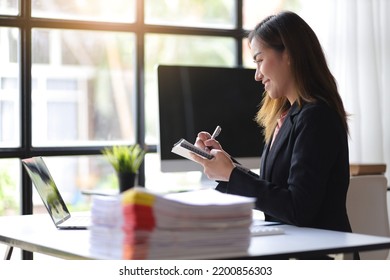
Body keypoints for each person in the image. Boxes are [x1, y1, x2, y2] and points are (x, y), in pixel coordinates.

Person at [191, 11, 352, 234]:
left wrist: (231, 174)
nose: (257, 75)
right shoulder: (287, 116)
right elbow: (275, 190)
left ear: (289, 55)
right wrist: (226, 165)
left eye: (260, 60)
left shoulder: (317, 117)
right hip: (294, 245)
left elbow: (298, 208)